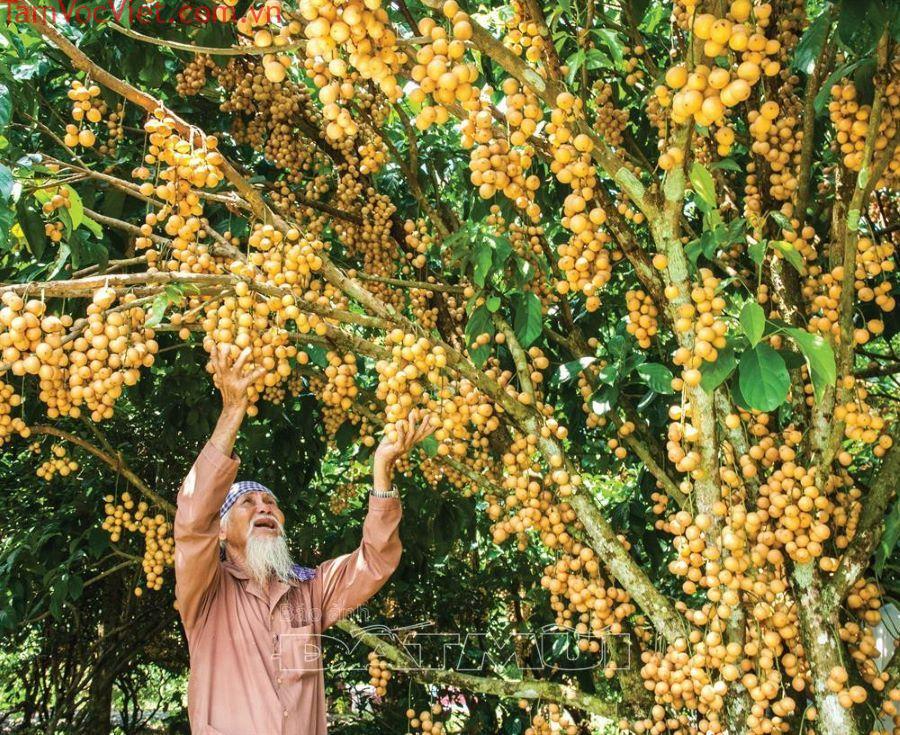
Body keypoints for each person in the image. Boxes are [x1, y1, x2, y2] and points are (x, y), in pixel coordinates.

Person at [174, 345, 436, 735]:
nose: (264, 508)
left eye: (271, 503)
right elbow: (192, 522)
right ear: (222, 530)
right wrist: (232, 412)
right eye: (247, 503)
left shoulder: (308, 590)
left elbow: (373, 562)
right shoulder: (207, 591)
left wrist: (382, 471)